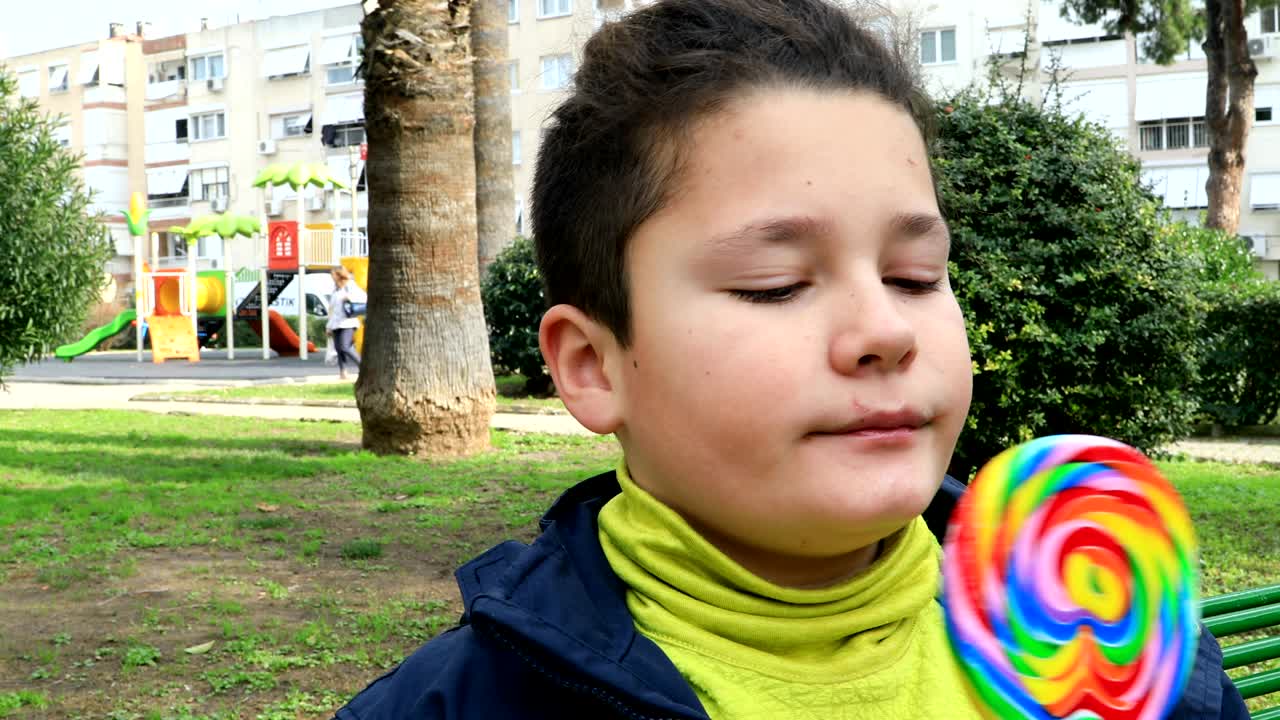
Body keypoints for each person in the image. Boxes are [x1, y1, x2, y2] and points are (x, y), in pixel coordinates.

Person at [335, 1, 1248, 718]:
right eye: (775, 285)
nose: (883, 329)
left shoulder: (1119, 646)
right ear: (593, 365)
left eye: (915, 274)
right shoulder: (463, 704)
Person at [326, 267, 364, 380]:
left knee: (345, 346)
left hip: (348, 322)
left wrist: (349, 297)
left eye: (333, 274)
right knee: (338, 348)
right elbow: (332, 309)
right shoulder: (335, 289)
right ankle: (343, 372)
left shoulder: (350, 285)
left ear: (339, 275)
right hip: (336, 323)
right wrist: (328, 326)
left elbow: (363, 297)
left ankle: (362, 365)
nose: (332, 277)